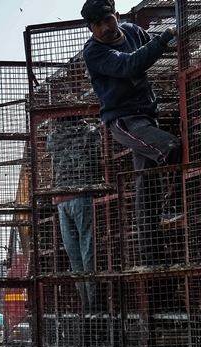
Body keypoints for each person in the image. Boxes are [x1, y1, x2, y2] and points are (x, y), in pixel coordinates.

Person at [82, 0, 180, 267]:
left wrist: (166, 41)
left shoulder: (133, 31)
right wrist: (165, 38)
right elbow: (129, 65)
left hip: (147, 114)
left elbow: (151, 50)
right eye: (97, 25)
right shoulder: (94, 52)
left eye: (108, 20)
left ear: (116, 15)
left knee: (145, 190)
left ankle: (153, 264)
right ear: (91, 29)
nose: (105, 28)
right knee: (169, 147)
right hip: (124, 121)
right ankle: (172, 207)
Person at [46, 118, 101, 309]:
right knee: (87, 249)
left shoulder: (55, 136)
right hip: (82, 194)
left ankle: (86, 303)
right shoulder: (90, 131)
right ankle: (92, 303)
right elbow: (96, 159)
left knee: (74, 253)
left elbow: (50, 150)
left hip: (62, 197)